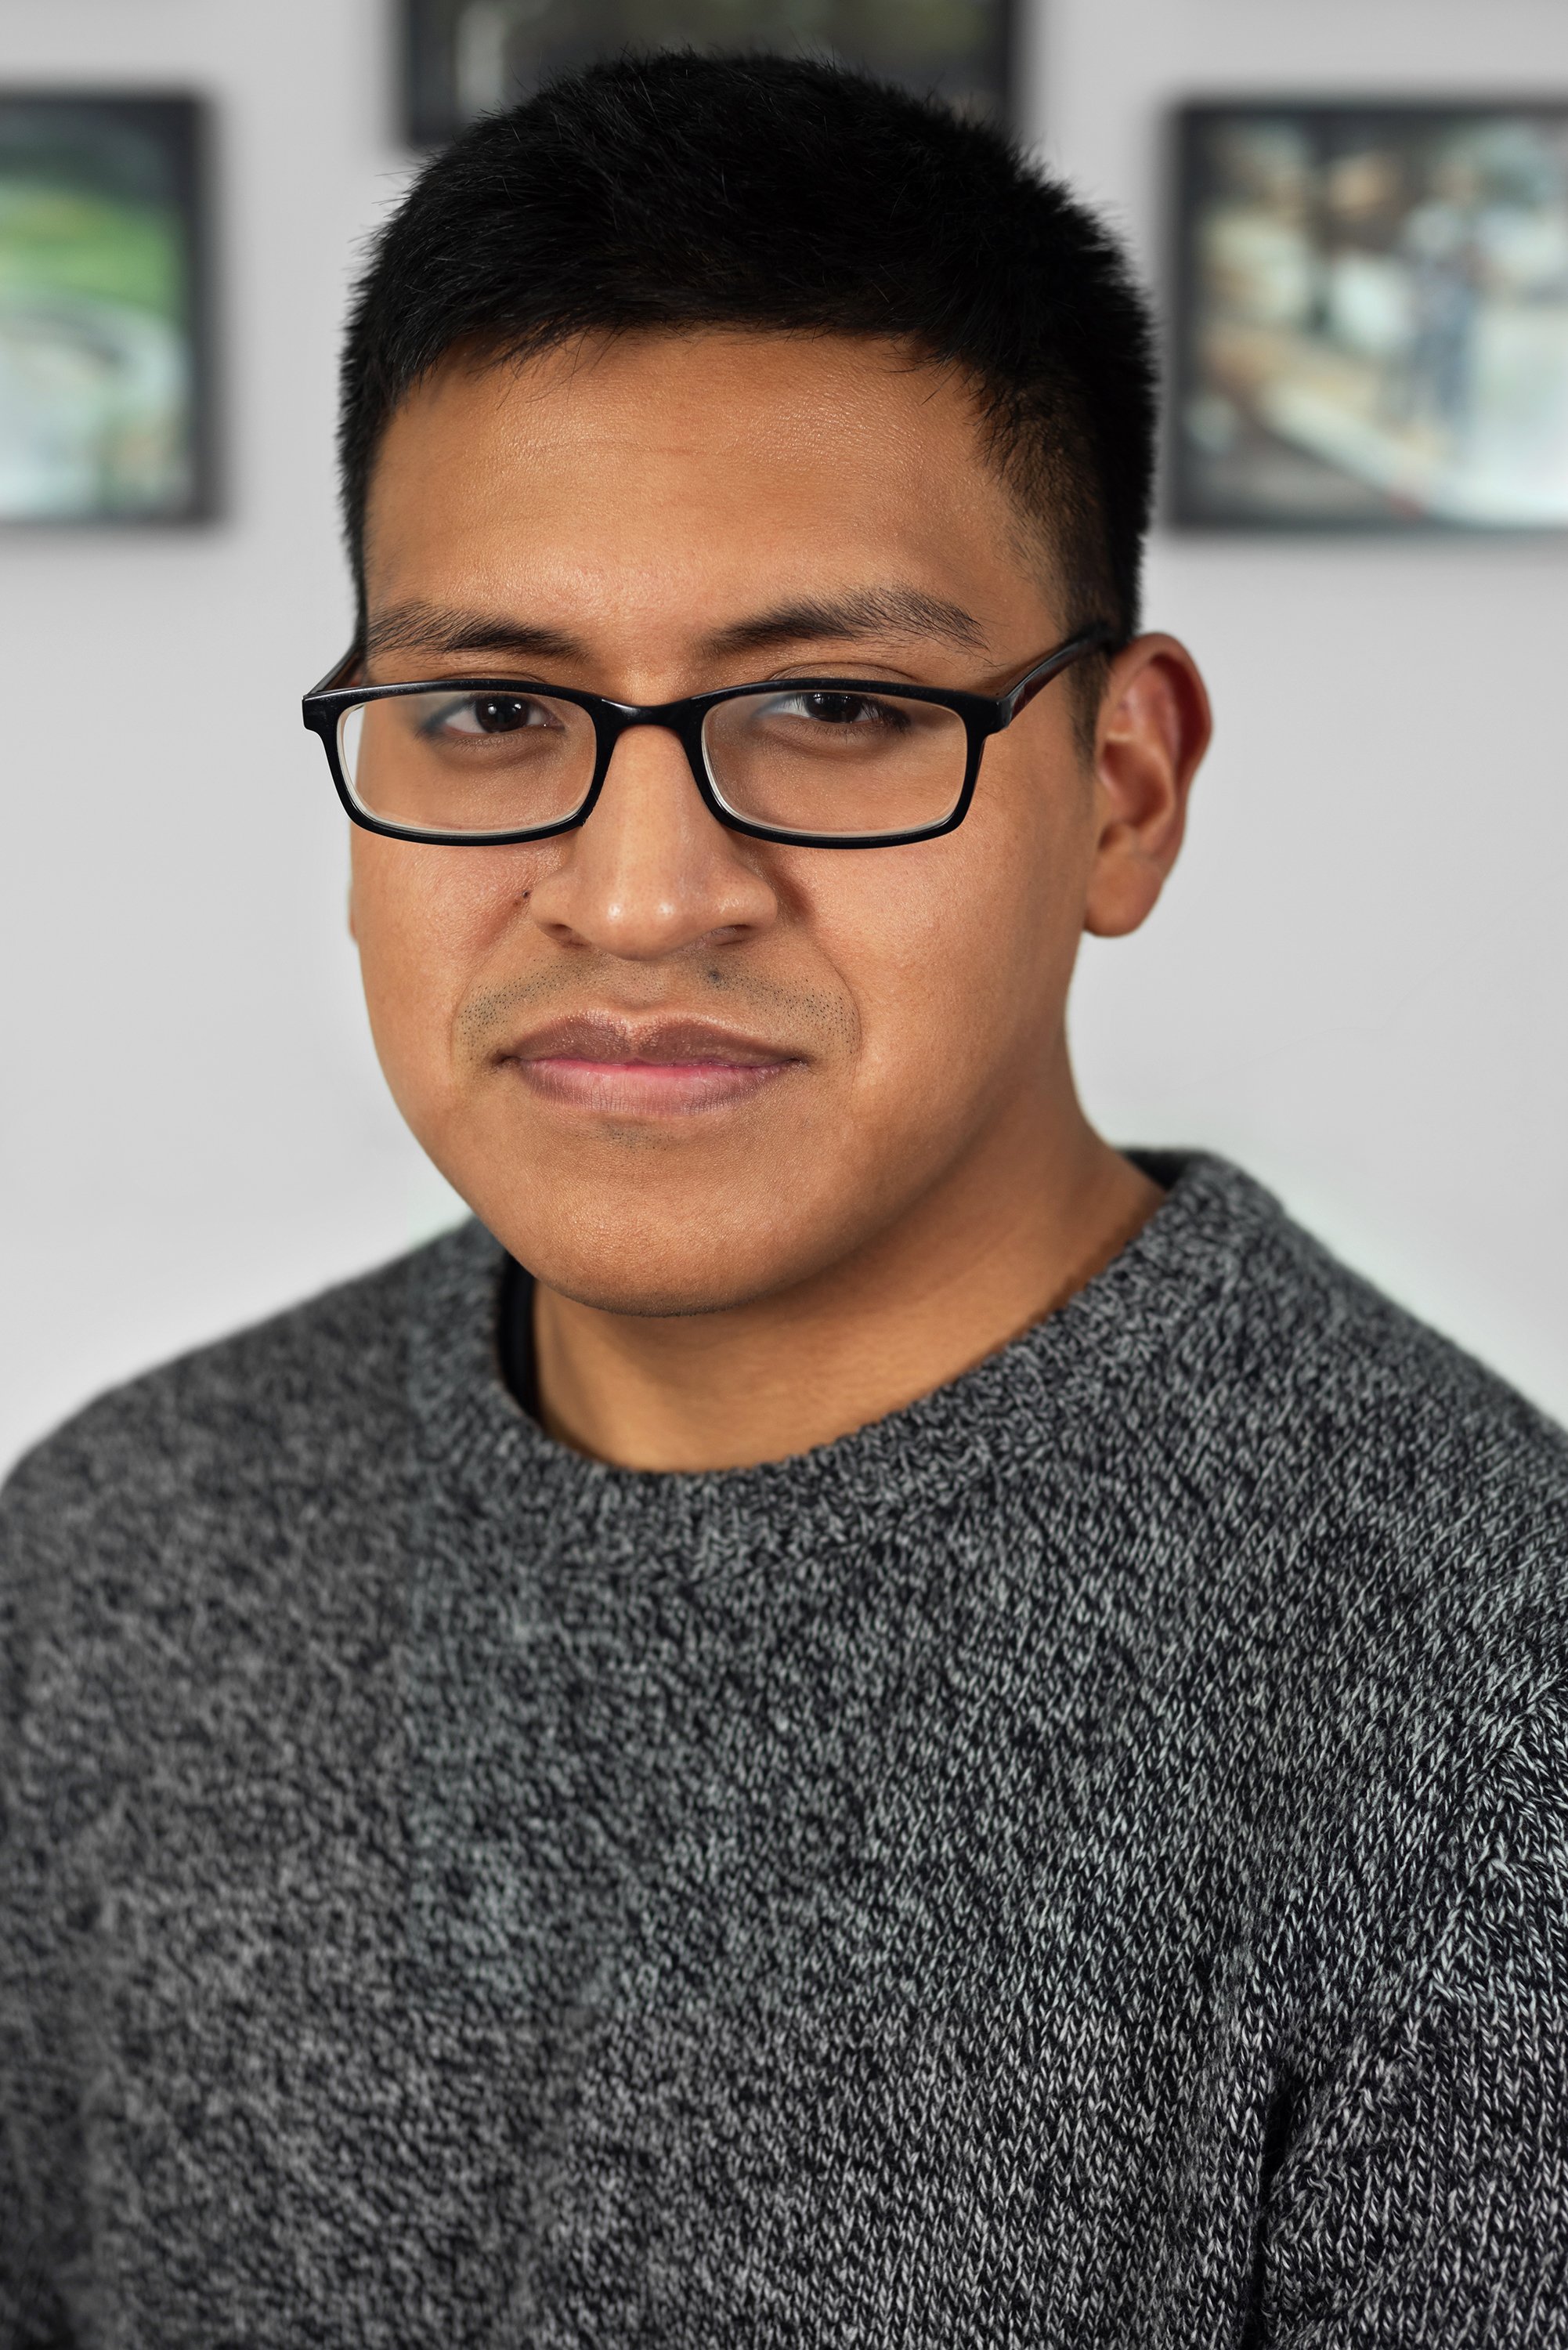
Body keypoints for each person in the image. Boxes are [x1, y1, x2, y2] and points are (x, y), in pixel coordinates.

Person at [2, 53, 1565, 2347]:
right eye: (489, 715)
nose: (640, 896)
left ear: (1119, 790)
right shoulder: (112, 1551)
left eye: (833, 704)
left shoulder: (1487, 1690)